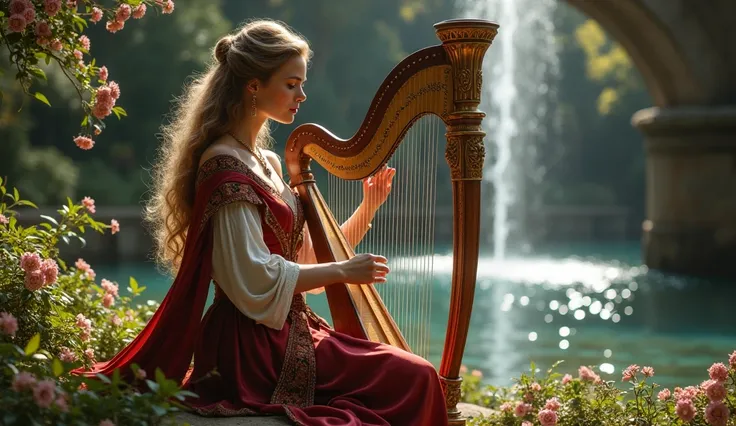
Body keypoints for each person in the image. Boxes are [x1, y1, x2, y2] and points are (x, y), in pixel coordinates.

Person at [75, 19, 449, 426]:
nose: (301, 95)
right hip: (250, 346)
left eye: (301, 84)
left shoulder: (268, 163)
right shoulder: (222, 164)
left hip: (290, 332)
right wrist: (344, 269)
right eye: (291, 84)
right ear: (253, 85)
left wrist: (368, 208)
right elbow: (253, 277)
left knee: (413, 376)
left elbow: (305, 259)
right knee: (418, 377)